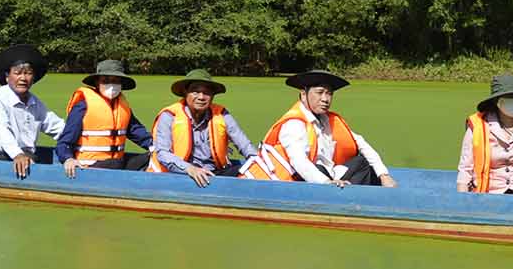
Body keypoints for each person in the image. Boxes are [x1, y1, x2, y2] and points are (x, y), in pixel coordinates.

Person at [240, 70, 396, 187]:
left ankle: (352, 196)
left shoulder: (328, 119)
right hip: (302, 180)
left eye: (329, 94)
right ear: (303, 95)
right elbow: (299, 162)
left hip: (330, 174)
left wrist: (384, 175)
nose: (325, 99)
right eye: (320, 93)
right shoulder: (294, 124)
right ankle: (346, 200)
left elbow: (362, 144)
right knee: (319, 168)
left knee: (362, 162)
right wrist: (327, 183)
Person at [149, 69, 258, 186]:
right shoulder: (169, 116)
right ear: (186, 93)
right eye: (195, 92)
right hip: (179, 175)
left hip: (215, 173)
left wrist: (257, 162)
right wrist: (190, 169)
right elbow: (162, 153)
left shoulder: (222, 114)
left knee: (249, 171)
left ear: (212, 96)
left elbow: (244, 145)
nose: (201, 97)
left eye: (206, 93)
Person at [0, 44, 65, 178]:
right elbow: (1, 129)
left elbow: (56, 126)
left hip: (27, 156)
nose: (23, 78)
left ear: (33, 77)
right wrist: (17, 154)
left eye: (28, 73)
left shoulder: (35, 103)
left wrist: (82, 140)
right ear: (7, 76)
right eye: (17, 73)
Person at [57, 59, 153, 176]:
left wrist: (155, 146)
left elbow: (137, 132)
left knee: (152, 157)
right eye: (106, 80)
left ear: (121, 84)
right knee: (114, 164)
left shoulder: (123, 107)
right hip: (90, 167)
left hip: (117, 164)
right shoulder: (83, 106)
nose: (111, 85)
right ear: (97, 82)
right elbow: (64, 142)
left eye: (116, 81)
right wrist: (68, 159)